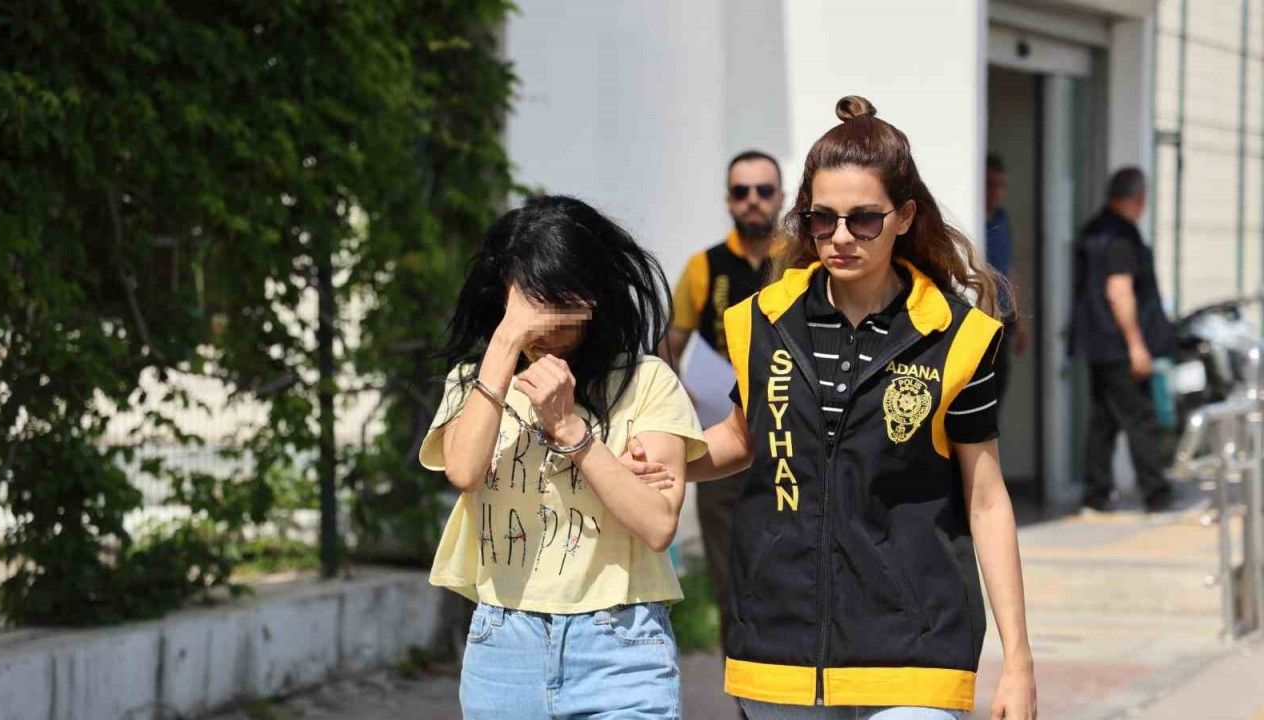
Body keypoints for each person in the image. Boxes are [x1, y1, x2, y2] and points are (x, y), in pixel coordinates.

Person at [629, 96, 1037, 719]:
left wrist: (1019, 661)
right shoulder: (762, 321)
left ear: (904, 217)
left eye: (864, 219)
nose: (841, 237)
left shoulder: (958, 338)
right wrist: (665, 459)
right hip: (779, 647)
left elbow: (985, 499)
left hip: (916, 650)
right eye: (822, 219)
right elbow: (744, 436)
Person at [421, 196, 708, 719]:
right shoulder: (475, 384)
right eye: (531, 307)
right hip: (504, 645)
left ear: (594, 300)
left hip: (619, 645)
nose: (546, 330)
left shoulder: (645, 382)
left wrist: (571, 431)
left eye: (561, 308)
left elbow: (657, 523)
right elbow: (463, 470)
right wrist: (507, 341)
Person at [663, 149, 785, 653]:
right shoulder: (703, 266)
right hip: (721, 434)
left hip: (788, 440)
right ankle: (739, 677)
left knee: (788, 569)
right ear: (728, 201)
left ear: (781, 197)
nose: (753, 201)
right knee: (728, 574)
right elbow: (668, 346)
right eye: (741, 192)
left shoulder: (802, 261)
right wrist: (679, 394)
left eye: (763, 191)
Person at [1070, 167, 1176, 513]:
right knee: (1140, 418)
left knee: (1104, 420)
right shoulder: (1121, 238)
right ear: (1139, 198)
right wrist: (1136, 344)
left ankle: (1095, 494)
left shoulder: (1093, 230)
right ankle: (1156, 494)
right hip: (1119, 345)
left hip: (1097, 344)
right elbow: (1119, 292)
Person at [985, 154, 1031, 404]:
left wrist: (1020, 321)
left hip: (1002, 319)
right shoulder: (972, 219)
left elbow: (1008, 271)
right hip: (980, 317)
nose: (996, 192)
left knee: (999, 387)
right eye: (990, 184)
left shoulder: (1002, 221)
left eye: (1000, 185)